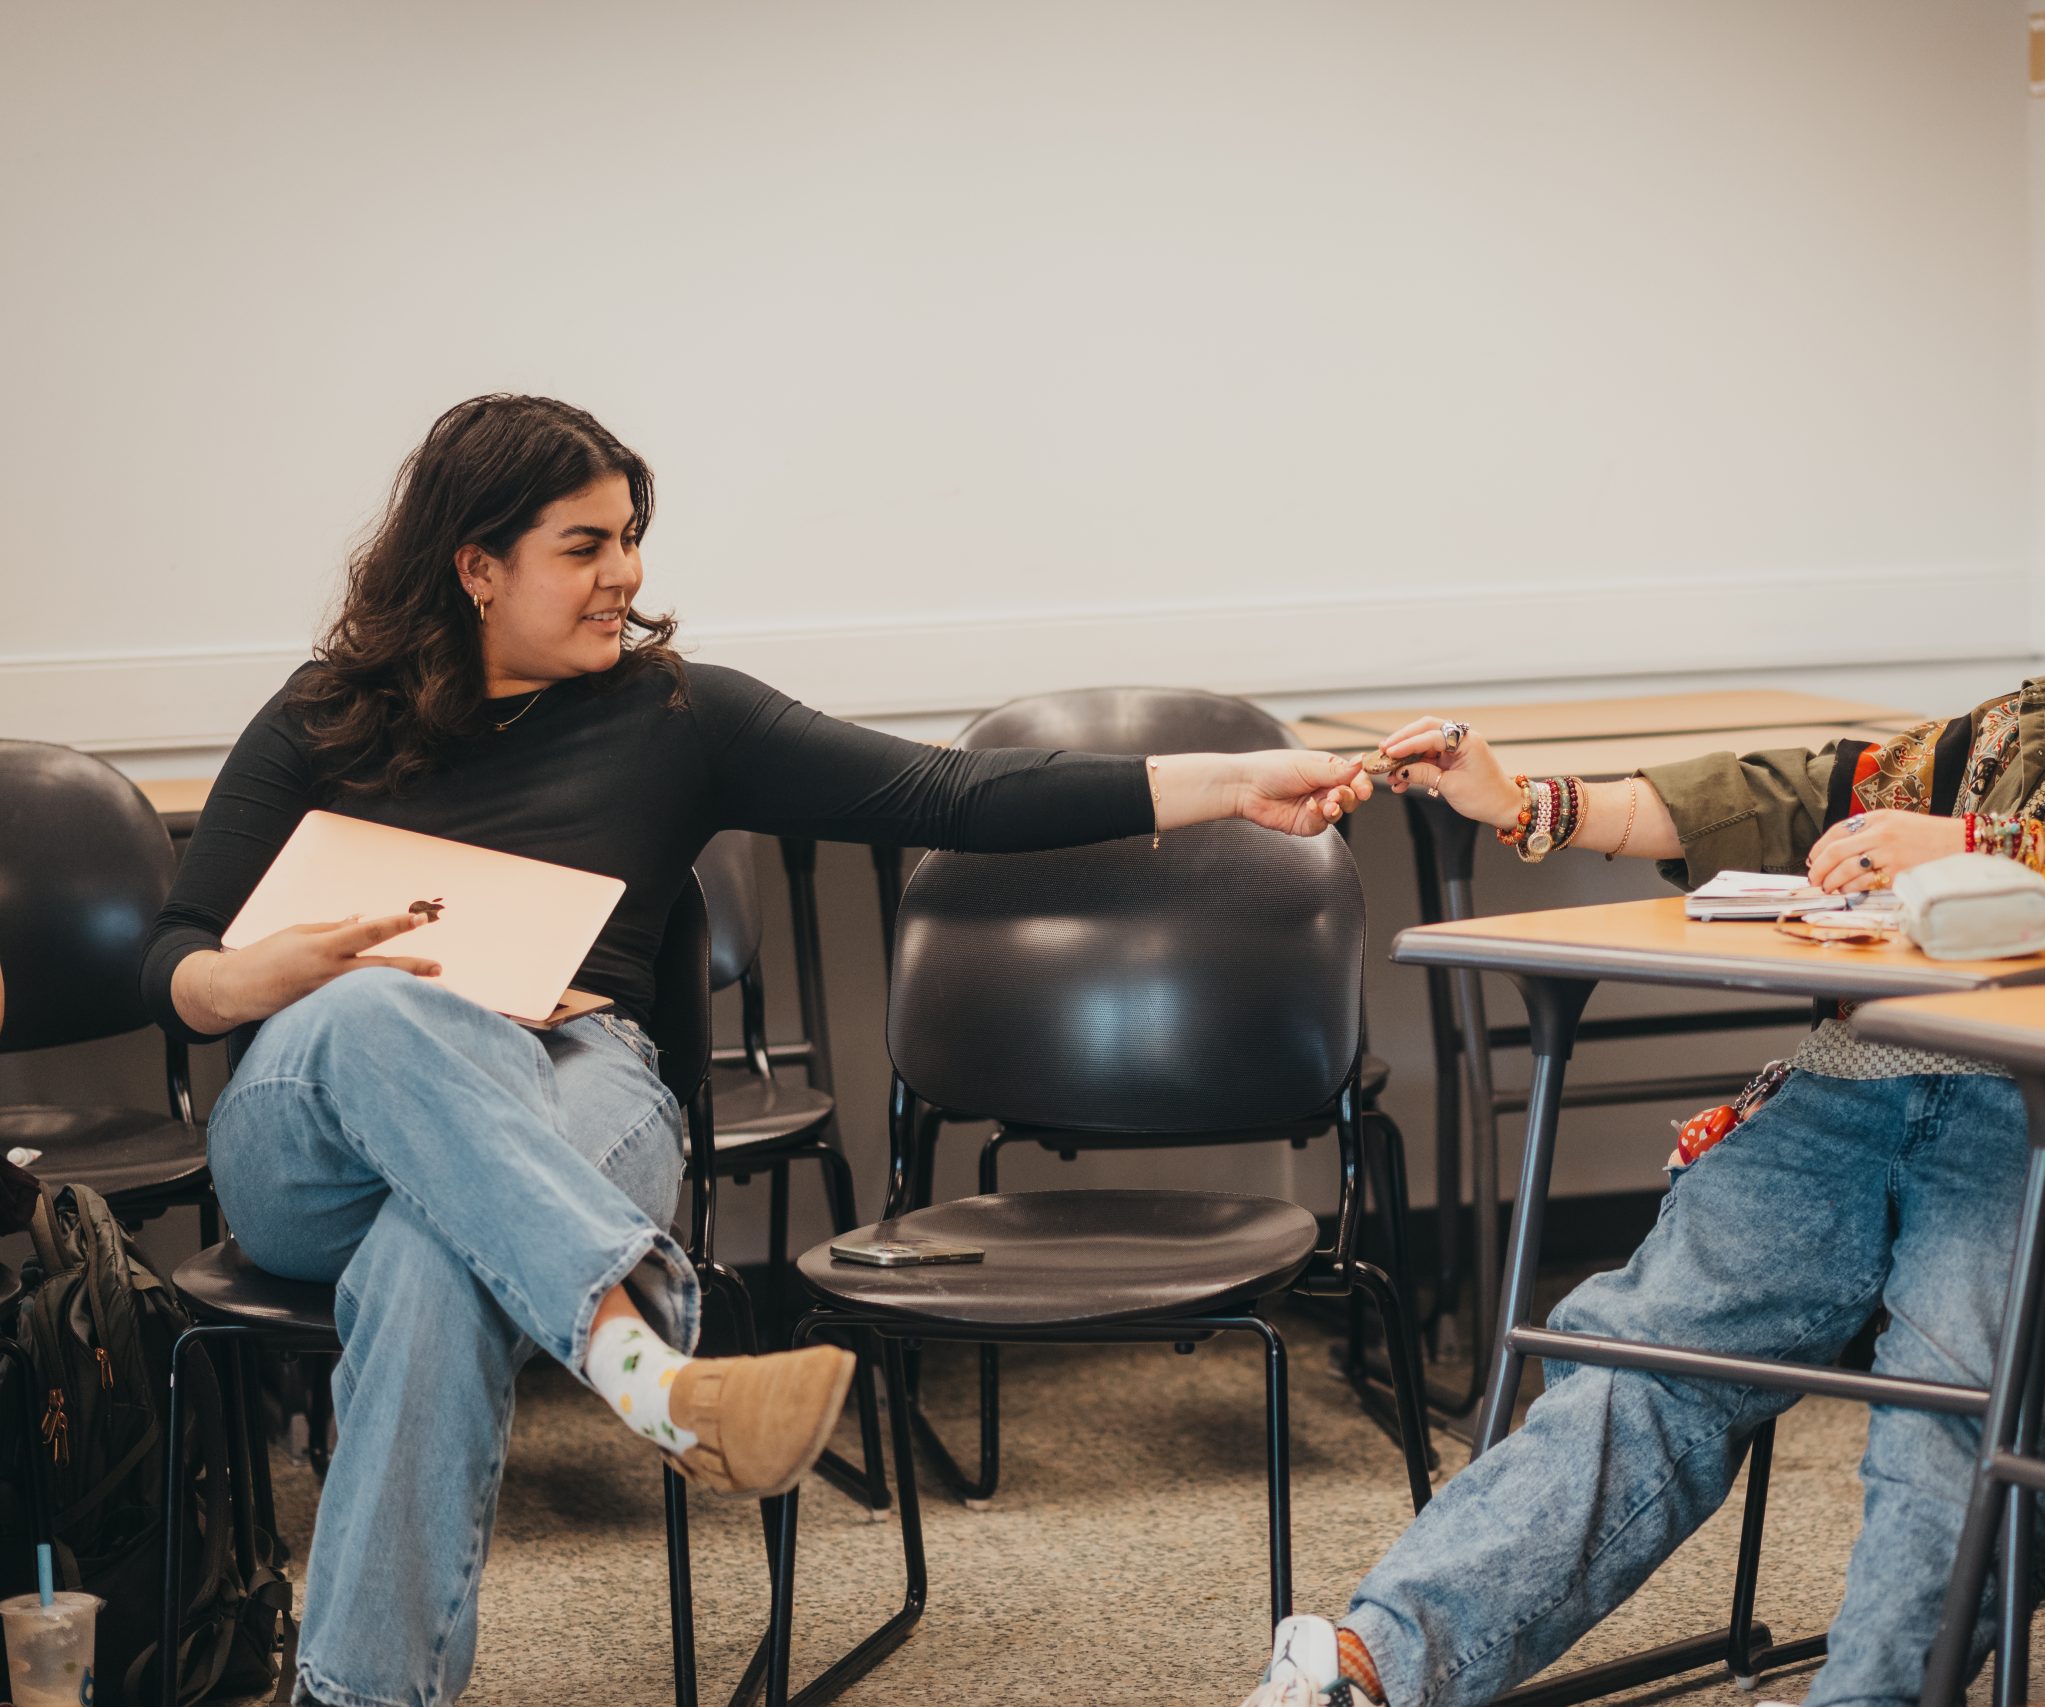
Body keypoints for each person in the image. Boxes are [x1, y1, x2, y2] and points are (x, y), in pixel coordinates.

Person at [145, 394, 1371, 1707]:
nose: (623, 571)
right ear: (475, 563)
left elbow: (950, 794)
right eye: (583, 543)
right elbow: (172, 962)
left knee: (431, 1259)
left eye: (631, 537)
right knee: (378, 1008)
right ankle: (647, 1365)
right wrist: (260, 975)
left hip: (575, 1083)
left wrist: (1231, 781)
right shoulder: (325, 714)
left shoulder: (676, 715)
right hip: (314, 1121)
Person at [1237, 427, 2045, 1707]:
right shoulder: (2034, 722)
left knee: (1966, 1406)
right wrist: (1532, 802)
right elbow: (1799, 791)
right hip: (1873, 1082)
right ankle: (1373, 1672)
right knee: (1655, 1352)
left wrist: (1962, 843)